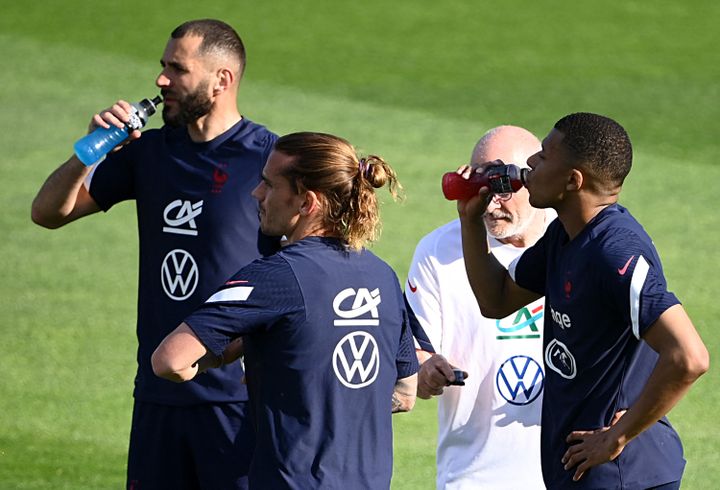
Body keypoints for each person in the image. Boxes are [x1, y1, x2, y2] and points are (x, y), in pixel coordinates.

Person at [31, 19, 277, 489]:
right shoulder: (149, 151)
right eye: (162, 67)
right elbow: (47, 213)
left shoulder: (268, 158)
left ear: (221, 80)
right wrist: (89, 153)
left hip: (236, 402)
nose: (161, 80)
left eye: (177, 69)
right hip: (158, 394)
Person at [152, 131, 419, 489]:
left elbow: (170, 360)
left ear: (306, 203)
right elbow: (405, 393)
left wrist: (216, 360)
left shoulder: (275, 277)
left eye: (269, 184)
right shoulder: (382, 276)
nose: (256, 194)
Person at [460, 112, 709, 489]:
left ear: (573, 181)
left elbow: (689, 357)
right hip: (582, 472)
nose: (530, 164)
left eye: (543, 156)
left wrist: (616, 437)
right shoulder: (566, 234)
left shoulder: (615, 252)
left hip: (623, 476)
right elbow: (495, 301)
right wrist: (469, 222)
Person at [406, 125, 551, 489]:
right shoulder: (438, 251)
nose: (492, 201)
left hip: (566, 475)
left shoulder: (571, 240)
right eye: (481, 185)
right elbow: (415, 362)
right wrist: (426, 373)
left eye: (504, 186)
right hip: (472, 476)